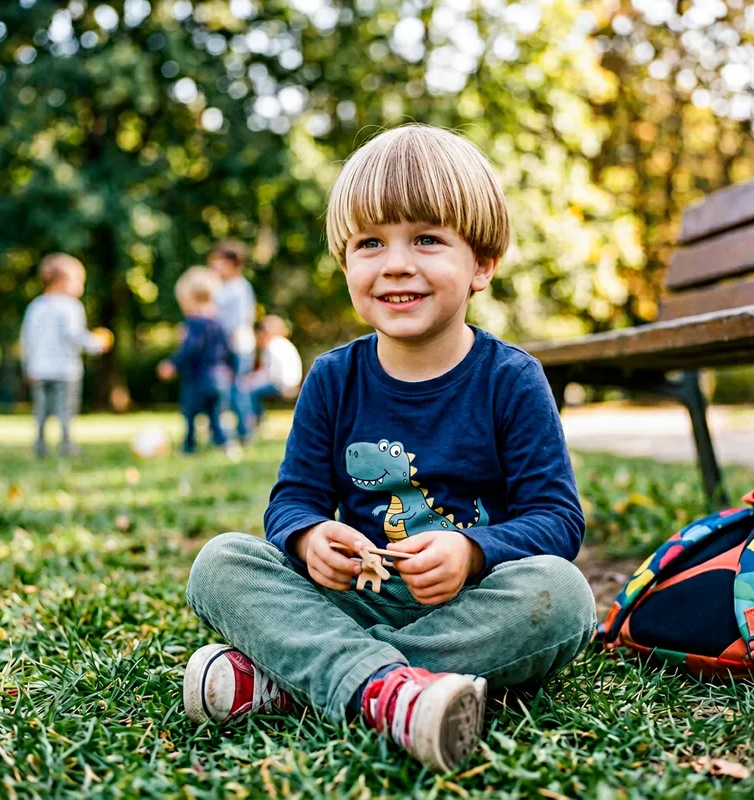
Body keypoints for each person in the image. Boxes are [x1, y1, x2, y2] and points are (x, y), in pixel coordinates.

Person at [183, 125, 596, 772]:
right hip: (359, 590)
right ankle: (390, 692)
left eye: (427, 239)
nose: (396, 263)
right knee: (219, 562)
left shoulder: (509, 379)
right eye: (370, 243)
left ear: (482, 264)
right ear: (347, 264)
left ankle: (299, 681)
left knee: (564, 596)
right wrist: (310, 538)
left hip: (470, 604)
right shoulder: (332, 378)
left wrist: (471, 550)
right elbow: (294, 500)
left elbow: (557, 519)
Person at [20, 253, 112, 457]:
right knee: (66, 412)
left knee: (41, 412)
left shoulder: (35, 306)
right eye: (78, 281)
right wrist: (96, 344)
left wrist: (27, 367)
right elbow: (75, 335)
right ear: (62, 280)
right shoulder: (70, 307)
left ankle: (40, 447)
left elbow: (27, 339)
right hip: (65, 370)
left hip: (40, 369)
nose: (81, 286)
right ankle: (67, 447)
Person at [157, 266, 240, 456]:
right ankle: (226, 444)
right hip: (220, 377)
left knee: (190, 412)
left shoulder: (194, 323)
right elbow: (229, 350)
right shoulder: (219, 322)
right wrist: (232, 373)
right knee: (216, 413)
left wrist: (173, 364)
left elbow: (191, 348)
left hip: (199, 377)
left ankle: (188, 446)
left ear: (189, 299)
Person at [208, 240, 256, 442]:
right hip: (228, 345)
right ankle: (223, 433)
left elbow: (237, 320)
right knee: (227, 391)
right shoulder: (224, 287)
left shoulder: (238, 288)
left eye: (219, 262)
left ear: (232, 264)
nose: (214, 267)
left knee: (236, 390)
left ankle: (244, 432)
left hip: (237, 346)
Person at [242, 315, 303, 430]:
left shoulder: (273, 346)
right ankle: (256, 420)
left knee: (251, 392)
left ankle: (256, 421)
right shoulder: (283, 343)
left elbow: (269, 374)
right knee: (252, 389)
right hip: (290, 382)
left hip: (282, 384)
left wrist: (251, 380)